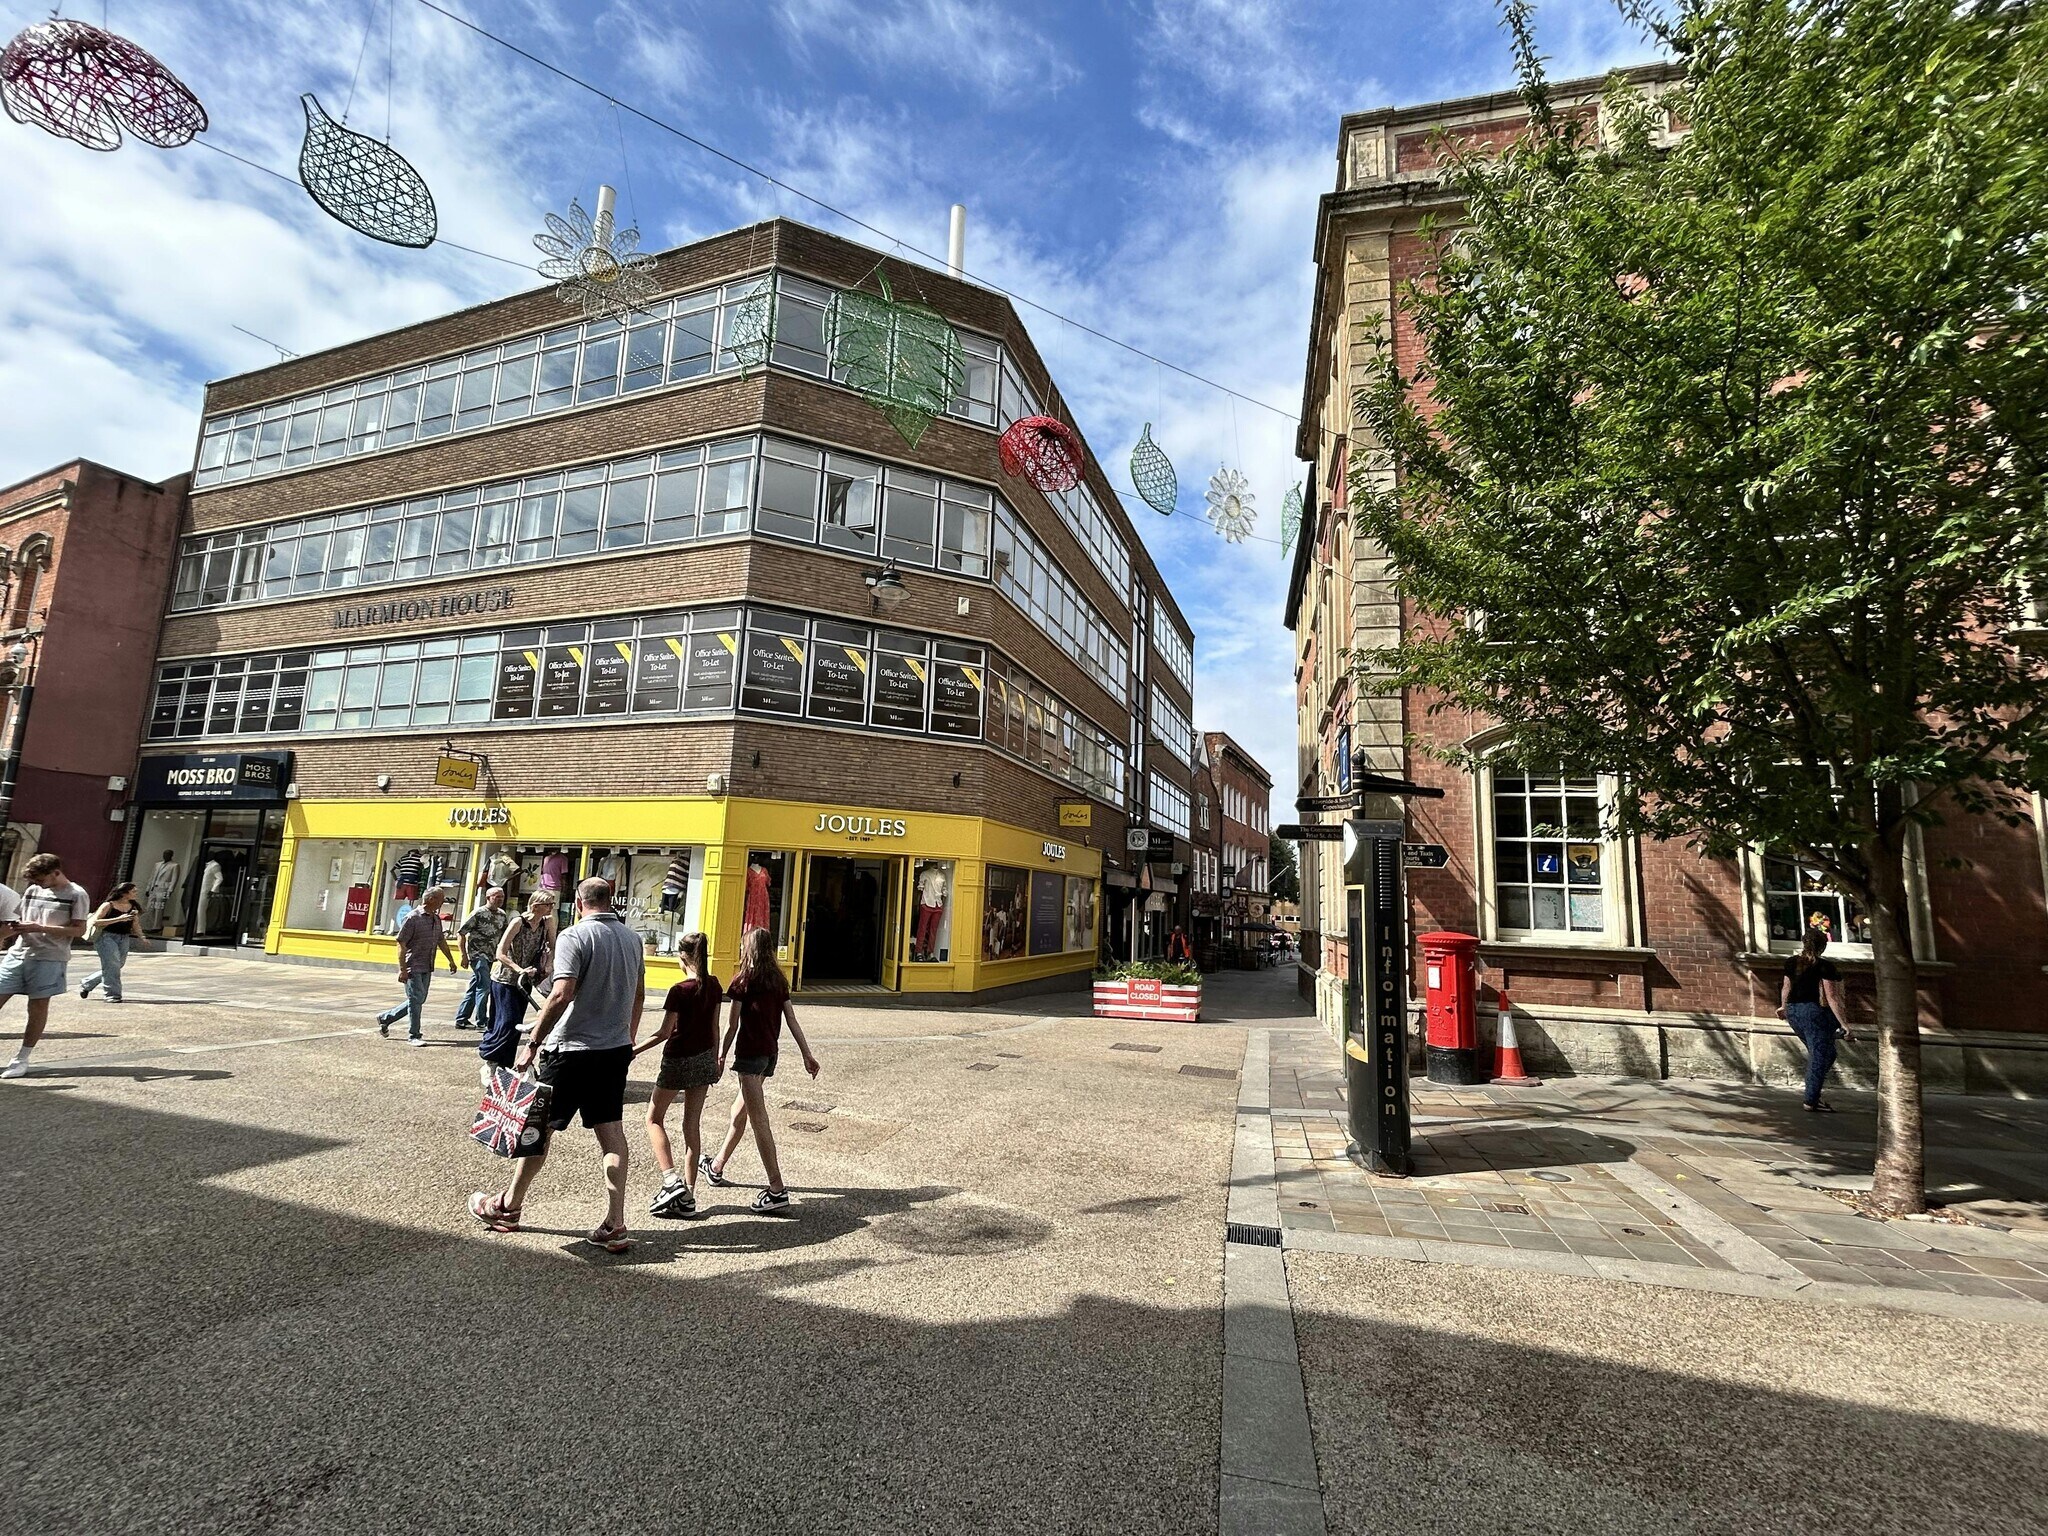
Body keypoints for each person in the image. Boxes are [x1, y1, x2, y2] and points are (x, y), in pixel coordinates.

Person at [469, 877, 645, 1251]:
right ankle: (615, 1223)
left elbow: (562, 993)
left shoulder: (573, 937)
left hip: (570, 1050)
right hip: (613, 1050)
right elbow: (639, 995)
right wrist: (627, 1036)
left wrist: (532, 1043)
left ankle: (508, 1207)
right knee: (611, 1133)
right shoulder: (632, 939)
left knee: (539, 1130)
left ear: (579, 902)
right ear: (609, 901)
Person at [702, 927, 820, 1213]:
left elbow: (732, 1025)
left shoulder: (743, 981)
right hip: (768, 1057)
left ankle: (776, 1188)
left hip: (750, 1057)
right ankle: (716, 1167)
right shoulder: (778, 980)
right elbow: (791, 1019)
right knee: (738, 1113)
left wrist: (720, 1055)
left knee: (759, 1122)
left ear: (749, 949)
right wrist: (807, 1054)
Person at [636, 931, 722, 1218]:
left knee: (653, 1118)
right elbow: (714, 1027)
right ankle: (689, 1194)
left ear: (683, 956)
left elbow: (663, 1032)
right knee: (691, 1125)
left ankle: (669, 1179)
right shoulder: (713, 985)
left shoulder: (679, 990)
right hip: (702, 1058)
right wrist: (716, 1059)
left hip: (677, 1059)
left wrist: (633, 1051)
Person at [0, 853, 91, 1079]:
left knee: (37, 1006)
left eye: (41, 879)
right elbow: (22, 919)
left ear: (56, 872)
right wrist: (18, 927)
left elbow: (79, 931)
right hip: (19, 952)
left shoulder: (76, 894)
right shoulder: (32, 890)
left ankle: (21, 1058)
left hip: (50, 956)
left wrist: (39, 927)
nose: (38, 884)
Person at [477, 891, 557, 1084]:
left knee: (515, 1025)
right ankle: (490, 1061)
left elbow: (553, 946)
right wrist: (518, 969)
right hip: (505, 979)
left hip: (525, 981)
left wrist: (547, 966)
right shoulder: (518, 922)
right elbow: (500, 953)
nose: (551, 908)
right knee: (504, 1022)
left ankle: (504, 1065)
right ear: (536, 905)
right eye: (548, 905)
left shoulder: (547, 923)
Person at [1778, 926, 1853, 1112]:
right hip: (1814, 1013)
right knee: (1820, 1056)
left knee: (1826, 1053)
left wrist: (1784, 1007)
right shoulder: (1824, 966)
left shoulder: (1791, 962)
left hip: (1794, 1012)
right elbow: (1832, 998)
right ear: (1823, 946)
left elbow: (1786, 988)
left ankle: (1814, 1088)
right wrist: (1844, 1024)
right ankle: (1810, 1100)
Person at [376, 887, 458, 1045]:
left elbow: (441, 940)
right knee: (415, 1000)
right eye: (441, 899)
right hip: (413, 965)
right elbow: (401, 943)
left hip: (427, 964)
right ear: (431, 899)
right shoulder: (412, 918)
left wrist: (451, 959)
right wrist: (403, 969)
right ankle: (414, 1035)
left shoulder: (436, 919)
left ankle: (386, 1018)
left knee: (418, 999)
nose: (443, 902)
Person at [452, 886, 510, 1031]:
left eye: (502, 897)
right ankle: (482, 1020)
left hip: (491, 955)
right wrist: (464, 955)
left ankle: (462, 1018)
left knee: (475, 987)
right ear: (488, 897)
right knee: (484, 987)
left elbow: (506, 935)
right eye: (497, 897)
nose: (500, 899)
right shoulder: (478, 913)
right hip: (478, 955)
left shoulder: (502, 915)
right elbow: (461, 933)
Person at [79, 882, 143, 1002]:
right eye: (133, 891)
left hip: (124, 938)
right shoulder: (108, 905)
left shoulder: (133, 907)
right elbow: (95, 921)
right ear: (124, 893)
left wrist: (142, 937)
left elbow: (136, 924)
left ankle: (87, 983)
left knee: (117, 965)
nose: (136, 893)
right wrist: (118, 919)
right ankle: (112, 995)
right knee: (113, 965)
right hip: (106, 937)